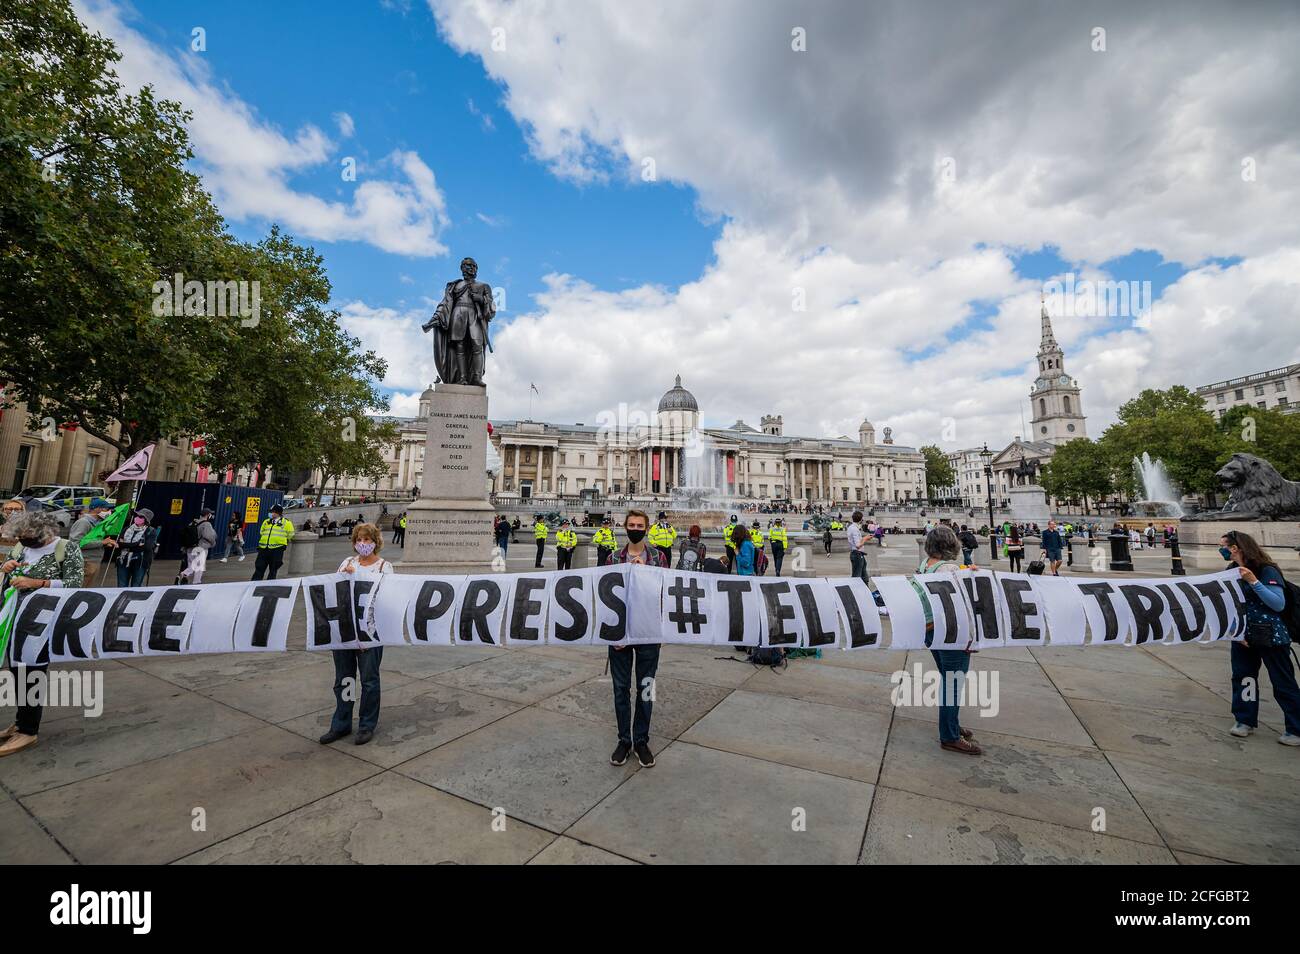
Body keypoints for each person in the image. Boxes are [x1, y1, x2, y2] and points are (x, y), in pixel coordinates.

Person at [0, 511, 86, 757]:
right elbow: (7, 572)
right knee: (17, 670)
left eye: (27, 535)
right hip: (14, 618)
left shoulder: (66, 549)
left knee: (33, 671)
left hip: (43, 621)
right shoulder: (20, 547)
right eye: (20, 535)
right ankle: (21, 721)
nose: (22, 539)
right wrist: (6, 567)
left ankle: (29, 730)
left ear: (45, 532)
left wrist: (37, 583)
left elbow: (75, 583)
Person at [1220, 531, 1300, 745]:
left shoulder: (1266, 570)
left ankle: (1296, 728)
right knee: (1243, 678)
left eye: (1225, 546)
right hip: (1243, 635)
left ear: (1236, 547)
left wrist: (1253, 581)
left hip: (1271, 635)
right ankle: (1244, 720)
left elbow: (1277, 603)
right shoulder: (1230, 570)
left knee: (1283, 682)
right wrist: (1235, 631)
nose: (1222, 551)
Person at [320, 523, 392, 747]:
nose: (363, 544)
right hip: (345, 632)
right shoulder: (346, 563)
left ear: (376, 543)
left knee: (369, 681)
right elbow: (334, 592)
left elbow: (386, 599)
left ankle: (366, 724)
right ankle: (341, 722)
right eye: (360, 539)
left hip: (370, 633)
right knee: (345, 680)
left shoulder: (384, 567)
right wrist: (344, 575)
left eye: (368, 540)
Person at [912, 525, 980, 755]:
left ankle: (951, 723)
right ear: (951, 545)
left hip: (931, 630)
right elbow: (964, 604)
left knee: (948, 679)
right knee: (952, 683)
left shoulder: (925, 565)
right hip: (951, 631)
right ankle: (949, 736)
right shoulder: (951, 569)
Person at [607, 510, 667, 769]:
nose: (635, 528)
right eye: (631, 525)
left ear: (647, 528)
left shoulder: (658, 558)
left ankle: (641, 739)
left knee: (646, 687)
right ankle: (624, 740)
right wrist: (613, 633)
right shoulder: (612, 558)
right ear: (625, 527)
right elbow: (607, 598)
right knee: (621, 689)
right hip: (620, 633)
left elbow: (666, 592)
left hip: (648, 632)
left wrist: (648, 575)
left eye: (639, 525)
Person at [108, 507, 155, 587]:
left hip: (140, 562)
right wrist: (136, 544)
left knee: (136, 586)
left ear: (146, 519)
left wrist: (126, 545)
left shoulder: (150, 531)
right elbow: (119, 543)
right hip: (123, 560)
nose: (137, 518)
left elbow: (147, 547)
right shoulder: (127, 528)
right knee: (121, 585)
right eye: (137, 516)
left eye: (141, 517)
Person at [252, 504, 295, 580]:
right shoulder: (266, 522)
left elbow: (290, 534)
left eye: (272, 512)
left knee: (273, 570)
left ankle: (269, 588)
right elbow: (262, 532)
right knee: (259, 568)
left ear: (278, 513)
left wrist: (280, 541)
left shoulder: (287, 523)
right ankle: (254, 586)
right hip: (263, 548)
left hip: (277, 549)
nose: (271, 513)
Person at [179, 508, 217, 584]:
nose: (211, 515)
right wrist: (213, 543)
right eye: (210, 514)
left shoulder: (193, 522)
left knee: (191, 566)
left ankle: (184, 574)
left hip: (190, 548)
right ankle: (196, 582)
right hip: (200, 548)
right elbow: (208, 536)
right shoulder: (206, 524)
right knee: (199, 567)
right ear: (207, 515)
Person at [847, 510, 869, 583]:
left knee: (864, 576)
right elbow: (858, 545)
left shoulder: (851, 527)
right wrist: (866, 539)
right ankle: (857, 592)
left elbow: (856, 542)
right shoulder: (855, 529)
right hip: (857, 554)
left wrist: (864, 538)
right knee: (857, 577)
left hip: (857, 554)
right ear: (861, 519)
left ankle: (865, 591)